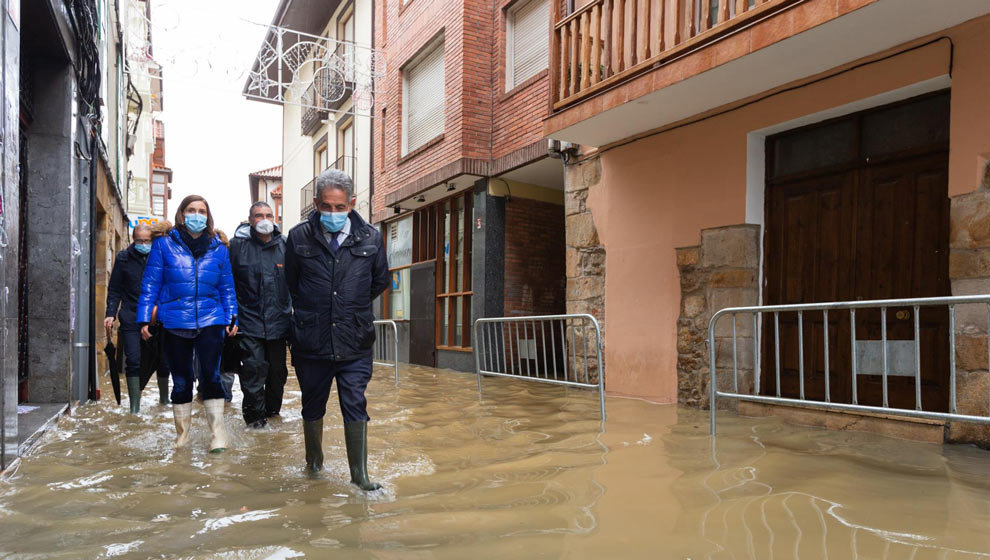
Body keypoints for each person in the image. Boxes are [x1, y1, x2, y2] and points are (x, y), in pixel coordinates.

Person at [285, 169, 389, 489]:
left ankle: (360, 476)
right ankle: (314, 466)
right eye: (326, 207)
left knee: (355, 402)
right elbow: (291, 281)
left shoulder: (371, 236)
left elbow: (379, 281)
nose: (333, 213)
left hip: (354, 339)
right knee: (312, 405)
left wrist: (349, 307)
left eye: (340, 207)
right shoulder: (298, 236)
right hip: (311, 340)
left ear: (352, 203)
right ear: (316, 203)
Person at [138, 195, 238, 453]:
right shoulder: (163, 246)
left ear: (208, 215)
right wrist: (144, 318)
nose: (197, 215)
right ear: (181, 214)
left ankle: (218, 434)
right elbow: (150, 284)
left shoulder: (219, 248)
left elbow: (227, 286)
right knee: (181, 381)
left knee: (211, 377)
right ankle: (182, 436)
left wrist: (231, 317)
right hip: (174, 320)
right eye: (191, 210)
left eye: (202, 211)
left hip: (211, 319)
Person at [229, 202, 291, 429]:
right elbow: (228, 284)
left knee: (277, 374)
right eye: (258, 215)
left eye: (268, 215)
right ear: (250, 219)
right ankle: (255, 424)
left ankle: (273, 416)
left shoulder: (286, 246)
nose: (264, 219)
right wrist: (231, 316)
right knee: (253, 372)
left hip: (279, 324)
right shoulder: (237, 247)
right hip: (248, 323)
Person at [105, 224, 165, 413]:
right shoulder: (123, 258)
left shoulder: (159, 256)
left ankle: (164, 401)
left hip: (157, 316)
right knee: (133, 360)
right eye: (139, 240)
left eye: (147, 241)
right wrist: (110, 313)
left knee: (163, 359)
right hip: (131, 316)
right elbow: (114, 289)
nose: (143, 244)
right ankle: (134, 408)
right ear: (133, 239)